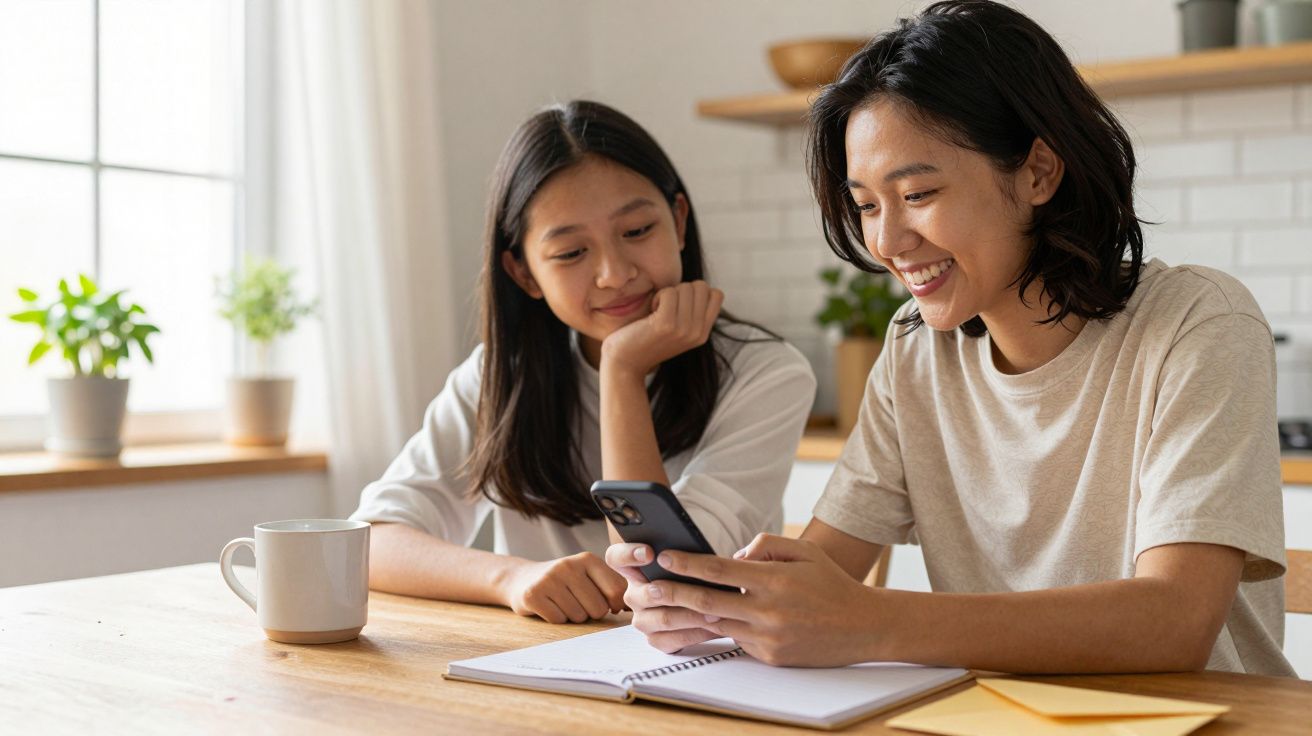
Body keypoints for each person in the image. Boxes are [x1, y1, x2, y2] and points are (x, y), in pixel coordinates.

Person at [608, 0, 1294, 676]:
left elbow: (1174, 623)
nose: (886, 241)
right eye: (868, 205)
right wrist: (712, 602)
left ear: (1038, 172)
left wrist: (870, 621)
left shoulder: (1197, 323)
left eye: (918, 194)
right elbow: (826, 569)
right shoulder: (916, 349)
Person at [349, 100, 816, 625]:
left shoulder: (767, 372)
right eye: (571, 253)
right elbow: (370, 543)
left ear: (679, 223)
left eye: (637, 231)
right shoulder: (499, 376)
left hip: (710, 670)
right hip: (542, 666)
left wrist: (622, 369)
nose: (614, 274)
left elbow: (664, 575)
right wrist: (512, 578)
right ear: (523, 273)